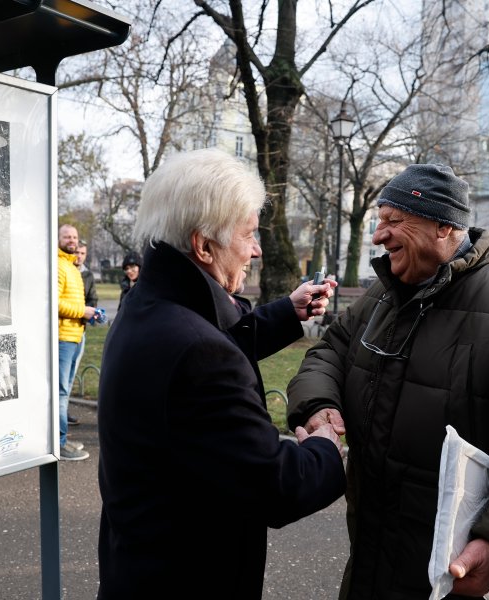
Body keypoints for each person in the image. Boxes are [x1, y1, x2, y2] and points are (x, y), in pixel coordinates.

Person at [286, 163, 489, 599]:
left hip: (452, 574)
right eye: (378, 220)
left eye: (393, 221)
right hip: (369, 553)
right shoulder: (383, 295)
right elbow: (328, 352)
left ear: (445, 226)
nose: (378, 235)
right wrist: (318, 405)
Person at [96, 148, 346, 599]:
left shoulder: (147, 303)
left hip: (138, 567)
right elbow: (275, 484)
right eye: (248, 235)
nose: (255, 249)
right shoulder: (199, 353)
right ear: (203, 244)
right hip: (189, 578)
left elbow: (208, 333)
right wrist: (326, 451)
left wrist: (286, 314)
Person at [57, 224, 95, 461]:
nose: (72, 240)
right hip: (63, 338)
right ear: (58, 238)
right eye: (67, 236)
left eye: (74, 237)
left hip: (76, 335)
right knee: (61, 392)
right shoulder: (60, 266)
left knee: (66, 390)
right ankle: (59, 443)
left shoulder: (72, 266)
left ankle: (62, 439)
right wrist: (84, 311)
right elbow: (54, 302)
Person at [68, 240, 98, 426]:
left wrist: (89, 313)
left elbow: (93, 298)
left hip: (81, 330)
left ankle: (63, 412)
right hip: (64, 331)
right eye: (77, 252)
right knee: (60, 376)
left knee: (71, 374)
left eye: (83, 253)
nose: (79, 256)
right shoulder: (64, 270)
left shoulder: (87, 275)